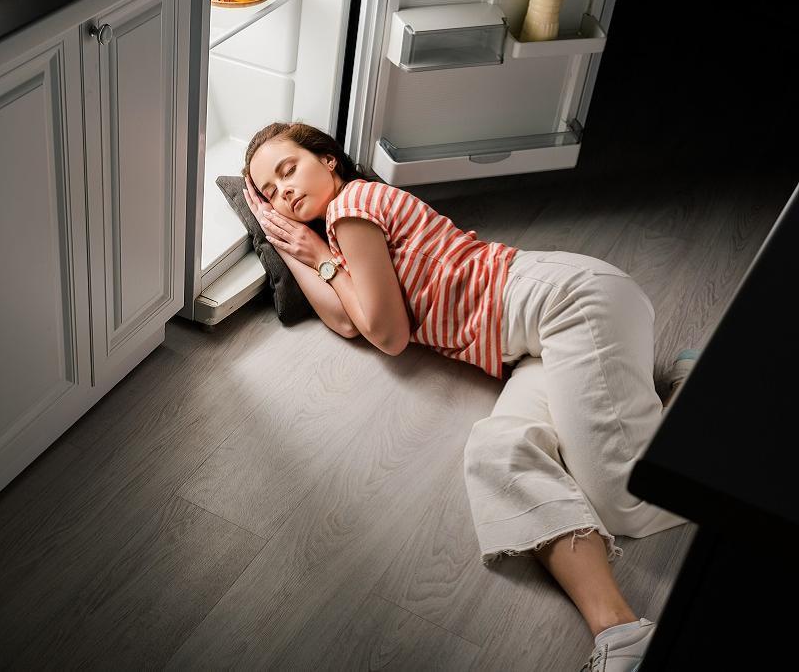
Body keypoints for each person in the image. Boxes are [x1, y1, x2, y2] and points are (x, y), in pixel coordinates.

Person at [241, 121, 695, 672]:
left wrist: (318, 254)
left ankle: (701, 402)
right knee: (497, 454)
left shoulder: (353, 207)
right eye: (270, 192)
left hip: (567, 304)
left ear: (328, 160)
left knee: (623, 498)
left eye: (288, 170)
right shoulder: (337, 233)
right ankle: (621, 636)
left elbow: (387, 334)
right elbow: (344, 319)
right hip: (528, 344)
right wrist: (290, 243)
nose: (284, 192)